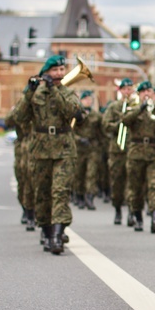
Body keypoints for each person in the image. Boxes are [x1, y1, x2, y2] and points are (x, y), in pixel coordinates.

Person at [14, 55, 80, 255]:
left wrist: (54, 90)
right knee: (42, 193)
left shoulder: (67, 92)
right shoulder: (35, 94)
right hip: (40, 150)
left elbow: (73, 112)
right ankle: (46, 230)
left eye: (62, 70)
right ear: (46, 72)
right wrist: (29, 92)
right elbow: (18, 117)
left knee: (60, 191)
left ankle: (57, 235)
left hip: (63, 149)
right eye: (55, 71)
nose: (59, 74)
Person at [123, 81, 155, 233]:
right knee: (136, 188)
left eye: (149, 91)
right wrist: (139, 109)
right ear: (139, 94)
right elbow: (125, 120)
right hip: (136, 153)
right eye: (143, 92)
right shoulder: (133, 108)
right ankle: (138, 217)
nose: (146, 94)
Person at [102, 78, 135, 225]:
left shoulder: (136, 106)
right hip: (116, 149)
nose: (127, 92)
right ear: (120, 91)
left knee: (132, 183)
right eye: (125, 89)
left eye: (130, 89)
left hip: (132, 149)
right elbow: (105, 125)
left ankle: (131, 212)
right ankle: (117, 209)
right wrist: (119, 124)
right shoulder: (114, 107)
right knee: (117, 181)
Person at [73, 90, 103, 211]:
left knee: (91, 173)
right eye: (86, 99)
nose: (88, 101)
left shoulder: (96, 115)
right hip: (79, 148)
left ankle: (90, 197)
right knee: (79, 174)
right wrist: (79, 139)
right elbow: (70, 131)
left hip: (92, 148)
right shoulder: (76, 115)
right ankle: (79, 196)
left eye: (90, 99)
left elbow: (101, 132)